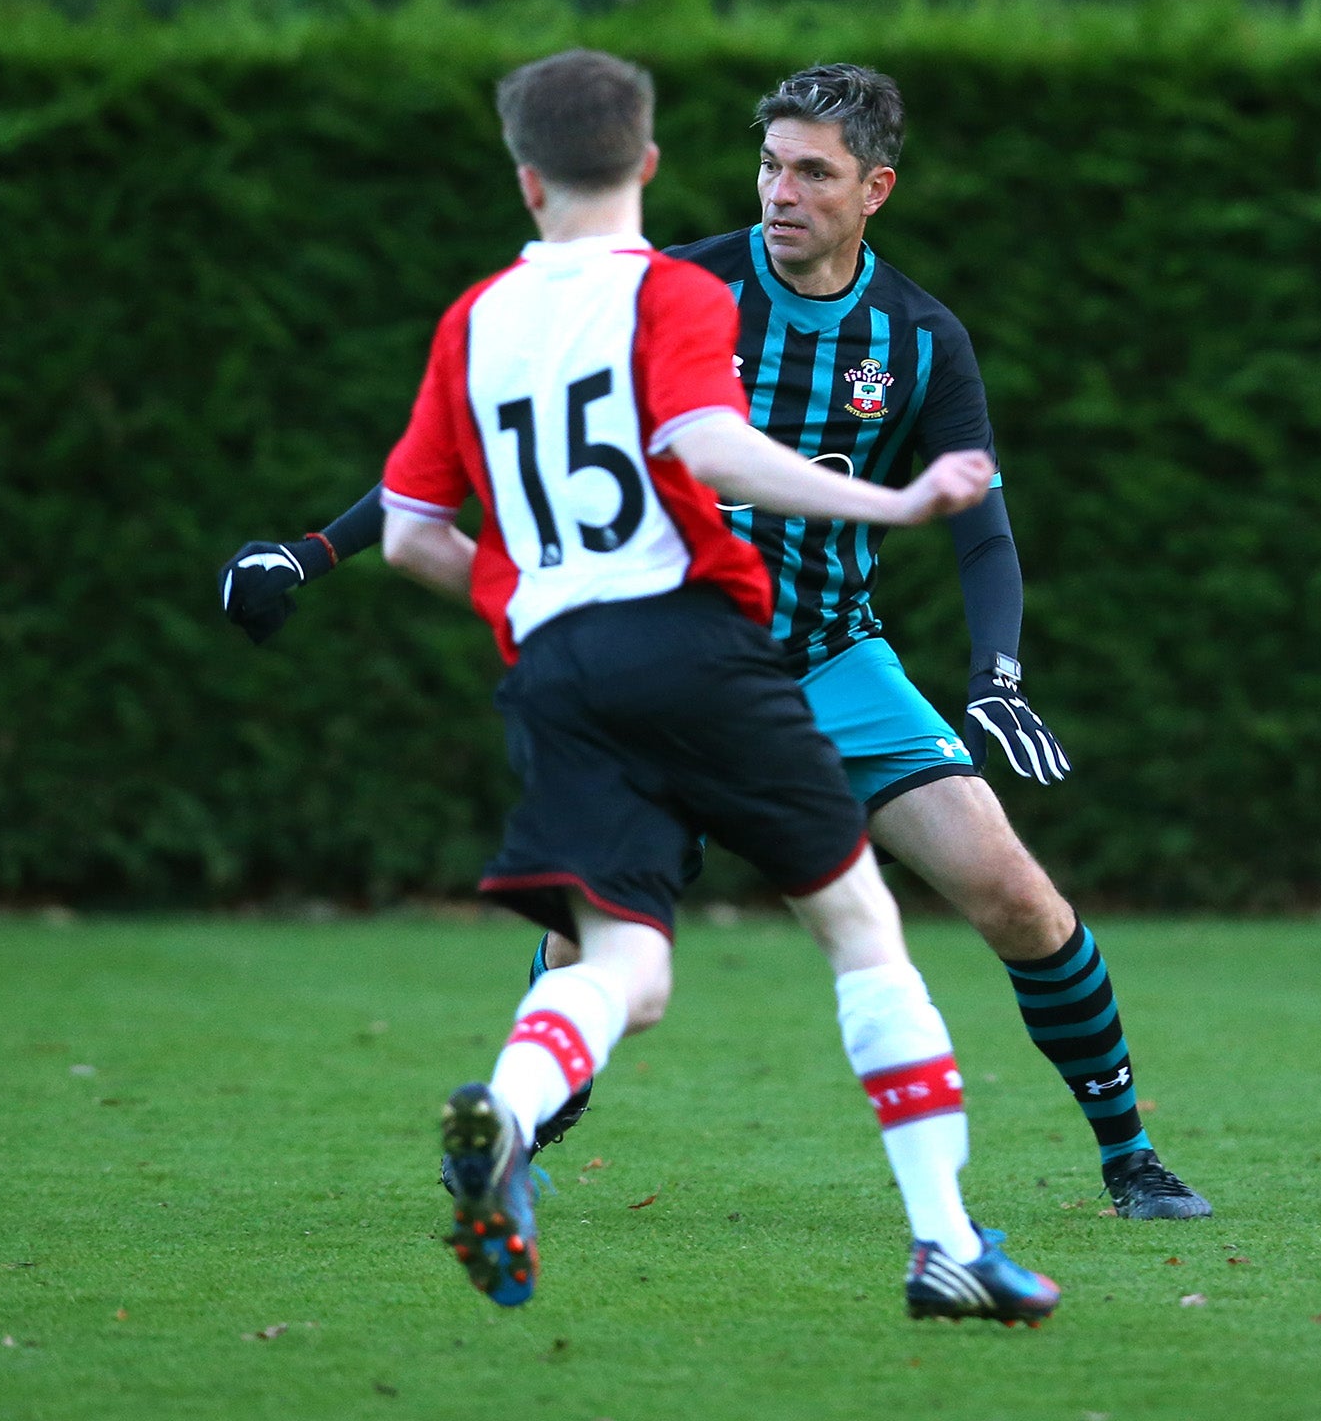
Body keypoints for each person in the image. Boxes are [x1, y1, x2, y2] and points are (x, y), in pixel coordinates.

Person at [220, 62, 1208, 1221]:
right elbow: (497, 436)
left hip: (832, 661)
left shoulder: (919, 339)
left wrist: (996, 675)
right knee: (603, 940)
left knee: (1014, 894)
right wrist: (312, 551)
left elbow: (982, 529)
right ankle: (519, 1133)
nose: (780, 192)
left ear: (875, 189)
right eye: (769, 165)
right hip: (672, 661)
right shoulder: (676, 290)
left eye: (814, 173)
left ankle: (1130, 1158)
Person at [368, 48, 1057, 1321]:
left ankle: (507, 1116)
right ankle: (945, 1242)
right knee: (859, 926)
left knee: (622, 958)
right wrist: (893, 501)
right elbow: (713, 448)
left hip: (555, 667)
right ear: (646, 163)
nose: (779, 191)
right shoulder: (672, 292)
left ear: (526, 180)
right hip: (693, 648)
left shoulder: (477, 317)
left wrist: (523, 594)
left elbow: (412, 535)